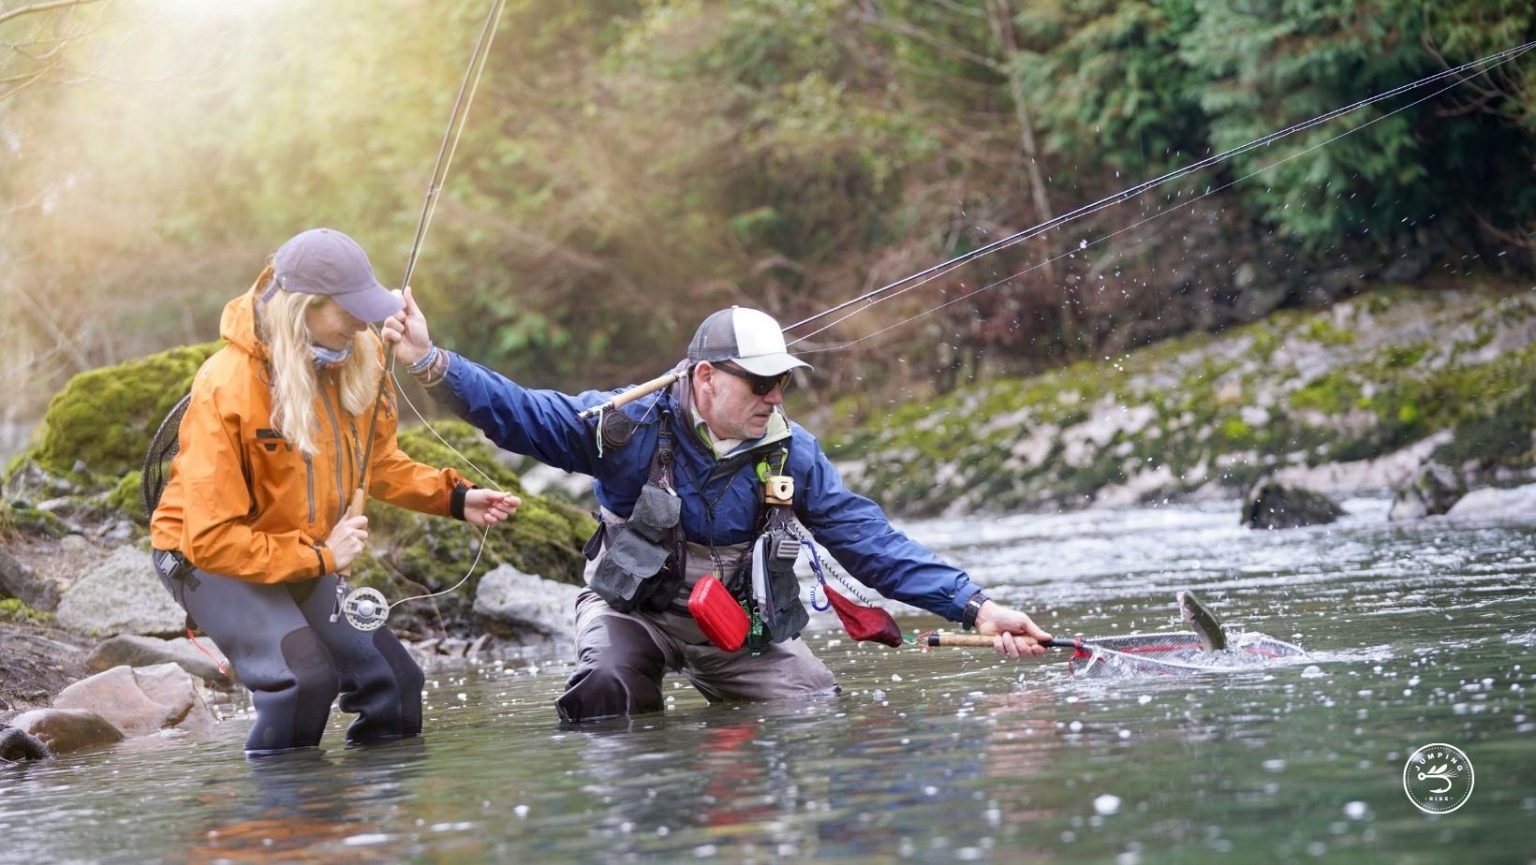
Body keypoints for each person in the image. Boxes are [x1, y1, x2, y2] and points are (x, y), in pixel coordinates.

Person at [382, 294, 1051, 724]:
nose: (774, 399)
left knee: (813, 709)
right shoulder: (626, 424)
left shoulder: (795, 454)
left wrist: (976, 606)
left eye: (782, 383)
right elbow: (520, 414)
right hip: (632, 614)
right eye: (760, 383)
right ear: (706, 378)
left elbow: (868, 540)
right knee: (603, 691)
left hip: (737, 631)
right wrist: (431, 362)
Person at [149, 228, 520, 755]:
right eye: (348, 311)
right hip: (204, 558)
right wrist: (322, 557)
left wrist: (455, 498)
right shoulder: (227, 385)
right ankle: (280, 833)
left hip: (300, 554)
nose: (362, 323)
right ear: (302, 307)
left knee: (395, 683)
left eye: (365, 309)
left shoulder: (355, 354)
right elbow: (210, 539)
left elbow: (378, 464)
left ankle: (364, 832)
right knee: (303, 684)